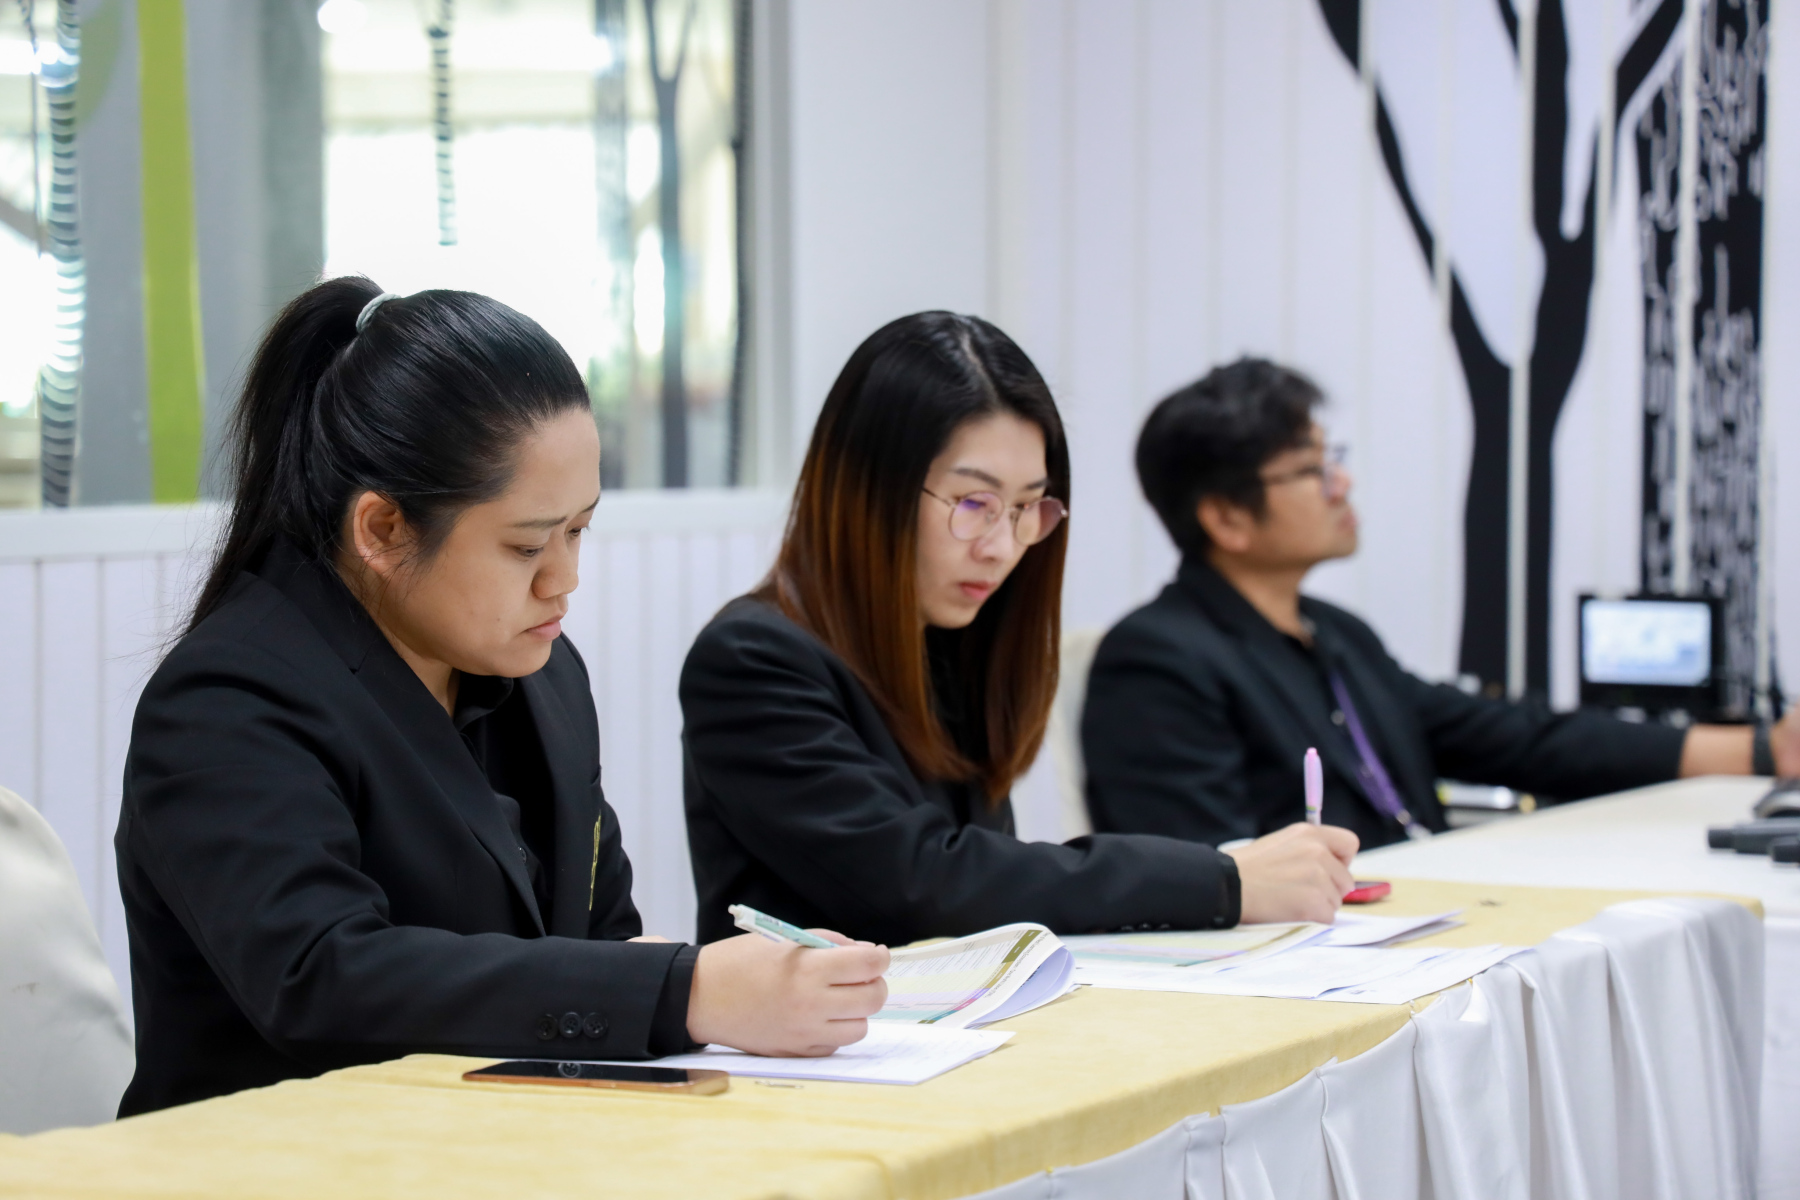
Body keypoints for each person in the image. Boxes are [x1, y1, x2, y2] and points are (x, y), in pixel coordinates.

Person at [115, 278, 888, 1117]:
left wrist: (718, 983)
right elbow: (323, 978)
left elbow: (600, 936)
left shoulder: (544, 677)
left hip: (502, 1143)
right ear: (382, 530)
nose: (565, 579)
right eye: (527, 547)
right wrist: (686, 990)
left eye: (580, 529)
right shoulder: (227, 699)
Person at [680, 313, 1357, 949]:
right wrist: (1220, 880)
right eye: (974, 503)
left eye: (1027, 507)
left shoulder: (955, 639)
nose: (1003, 547)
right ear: (870, 489)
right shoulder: (753, 659)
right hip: (829, 1036)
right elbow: (925, 882)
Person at [1082, 357, 1800, 851]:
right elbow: (1203, 872)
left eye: (1334, 460)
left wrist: (1763, 749)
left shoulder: (1335, 635)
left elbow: (1511, 737)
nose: (1341, 485)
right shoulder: (1156, 661)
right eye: (1311, 469)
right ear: (1227, 517)